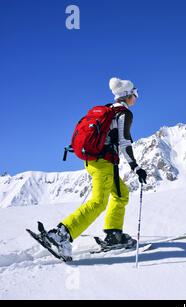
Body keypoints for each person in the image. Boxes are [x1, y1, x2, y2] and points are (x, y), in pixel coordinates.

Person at [47, 77, 148, 257]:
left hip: (92, 160)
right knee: (98, 202)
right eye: (135, 94)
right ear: (127, 95)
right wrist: (136, 168)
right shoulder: (123, 113)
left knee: (121, 194)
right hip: (103, 163)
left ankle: (113, 234)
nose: (136, 98)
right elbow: (125, 143)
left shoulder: (107, 110)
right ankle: (61, 234)